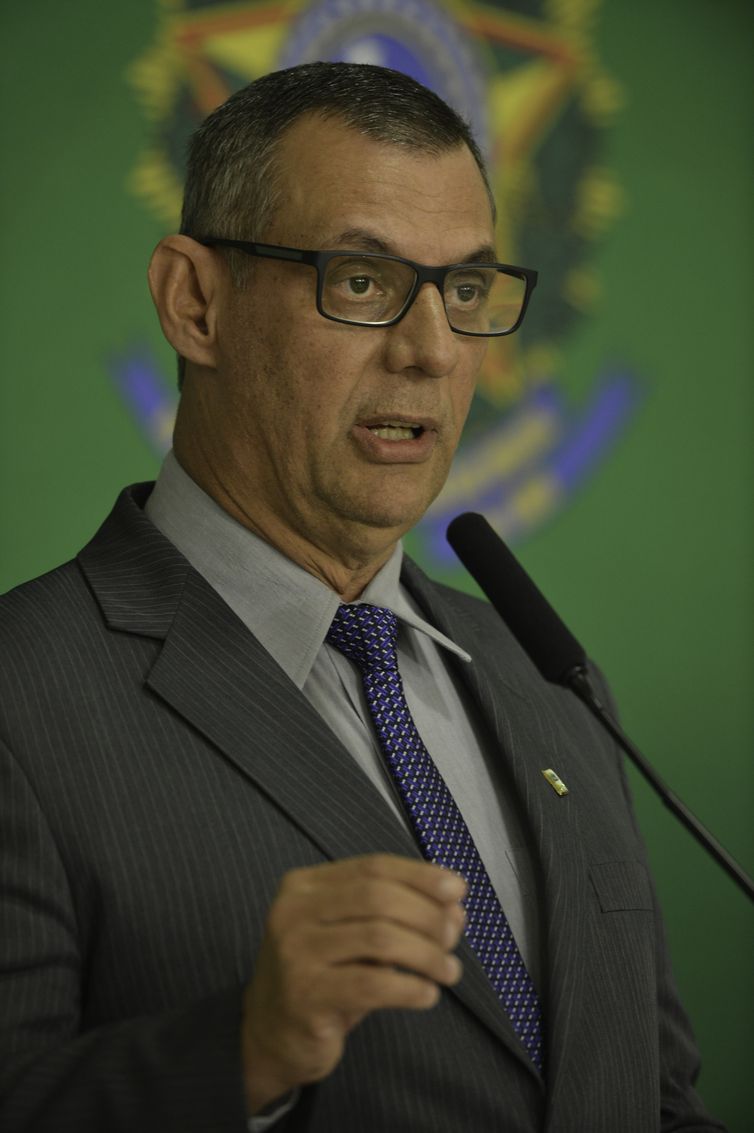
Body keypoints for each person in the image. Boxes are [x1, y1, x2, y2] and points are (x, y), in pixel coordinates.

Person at [0, 62, 723, 1133]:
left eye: (465, 289)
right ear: (194, 303)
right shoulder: (22, 693)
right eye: (360, 280)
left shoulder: (546, 676)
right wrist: (240, 1052)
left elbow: (652, 1097)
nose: (431, 350)